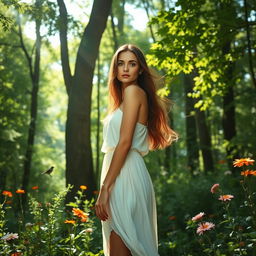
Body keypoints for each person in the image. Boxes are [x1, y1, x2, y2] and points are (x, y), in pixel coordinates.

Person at [95, 44, 178, 256]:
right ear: (114, 69)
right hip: (121, 174)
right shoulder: (123, 100)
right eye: (120, 63)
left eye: (132, 64)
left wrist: (105, 189)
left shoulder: (133, 92)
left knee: (124, 242)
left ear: (140, 69)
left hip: (126, 176)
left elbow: (124, 143)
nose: (125, 68)